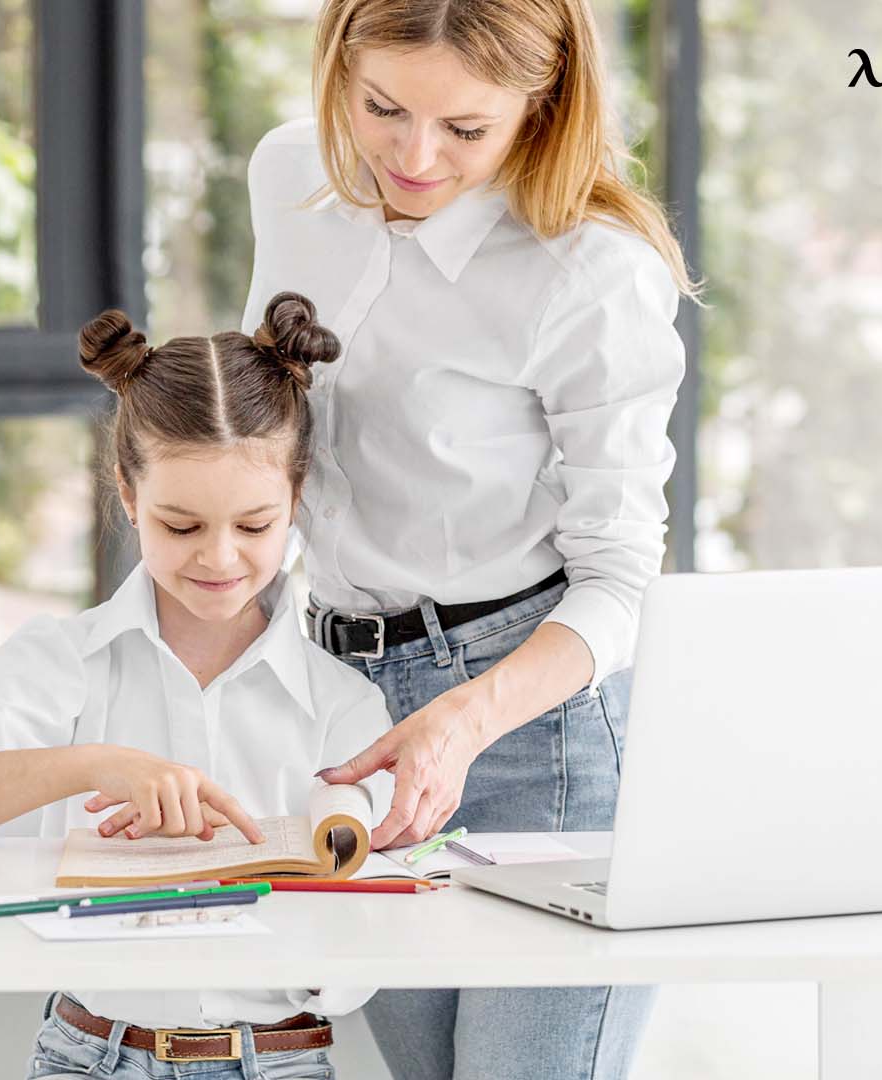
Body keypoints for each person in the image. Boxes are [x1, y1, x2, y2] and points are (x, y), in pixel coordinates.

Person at [241, 1, 704, 1077]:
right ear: (338, 65)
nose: (413, 156)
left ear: (540, 105)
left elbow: (623, 578)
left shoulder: (589, 270)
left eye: (465, 129)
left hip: (531, 730)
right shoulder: (288, 179)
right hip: (343, 707)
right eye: (382, 106)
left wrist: (461, 723)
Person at [0, 293, 396, 1080]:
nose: (219, 559)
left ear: (295, 502)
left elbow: (359, 969)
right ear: (127, 496)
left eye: (254, 526)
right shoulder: (61, 661)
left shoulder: (344, 702)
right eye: (181, 526)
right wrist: (98, 765)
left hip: (278, 1059)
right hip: (90, 1056)